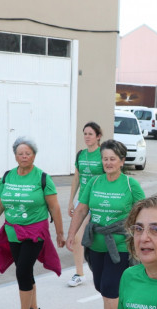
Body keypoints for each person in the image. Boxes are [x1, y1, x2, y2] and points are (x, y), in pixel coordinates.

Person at [66, 140, 146, 309]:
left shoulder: (130, 185)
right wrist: (71, 233)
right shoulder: (94, 183)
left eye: (112, 159)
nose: (108, 163)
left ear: (121, 161)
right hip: (96, 242)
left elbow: (144, 213)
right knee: (100, 285)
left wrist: (142, 238)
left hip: (119, 244)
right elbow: (82, 209)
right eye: (105, 159)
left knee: (110, 287)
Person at [0, 136, 65, 309]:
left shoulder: (43, 178)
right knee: (24, 269)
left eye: (28, 153)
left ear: (34, 155)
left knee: (22, 271)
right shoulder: (7, 177)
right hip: (12, 231)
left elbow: (54, 207)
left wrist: (60, 233)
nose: (24, 156)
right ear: (15, 156)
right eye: (20, 153)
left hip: (35, 231)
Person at [67, 122, 104, 288]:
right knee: (76, 236)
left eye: (90, 134)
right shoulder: (81, 155)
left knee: (95, 238)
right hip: (82, 201)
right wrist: (71, 201)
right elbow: (76, 179)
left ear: (98, 136)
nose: (87, 137)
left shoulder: (103, 154)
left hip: (98, 200)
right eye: (85, 134)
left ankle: (102, 268)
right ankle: (79, 273)